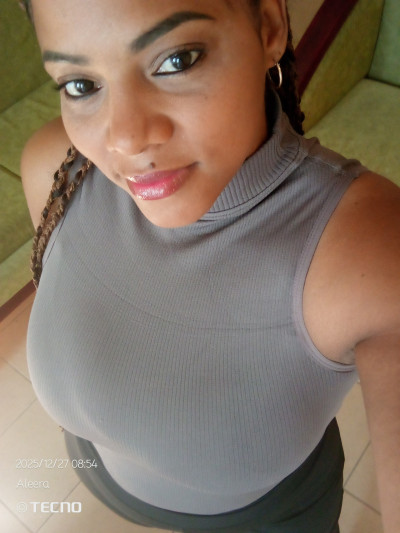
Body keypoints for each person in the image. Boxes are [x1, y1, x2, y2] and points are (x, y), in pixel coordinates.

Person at [20, 1, 400, 532]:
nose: (126, 138)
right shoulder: (56, 171)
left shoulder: (368, 250)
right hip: (105, 483)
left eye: (176, 60)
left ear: (269, 27)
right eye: (81, 85)